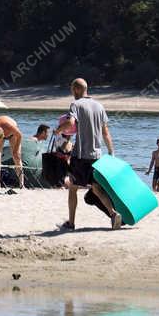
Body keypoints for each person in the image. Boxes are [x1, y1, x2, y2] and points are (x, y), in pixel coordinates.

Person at [55, 78, 121, 230]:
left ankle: (71, 223)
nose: (72, 93)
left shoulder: (76, 105)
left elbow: (71, 123)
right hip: (97, 155)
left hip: (81, 155)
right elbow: (106, 132)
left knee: (73, 187)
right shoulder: (99, 106)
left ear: (77, 89)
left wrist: (58, 130)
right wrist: (111, 151)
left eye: (72, 90)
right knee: (96, 187)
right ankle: (113, 214)